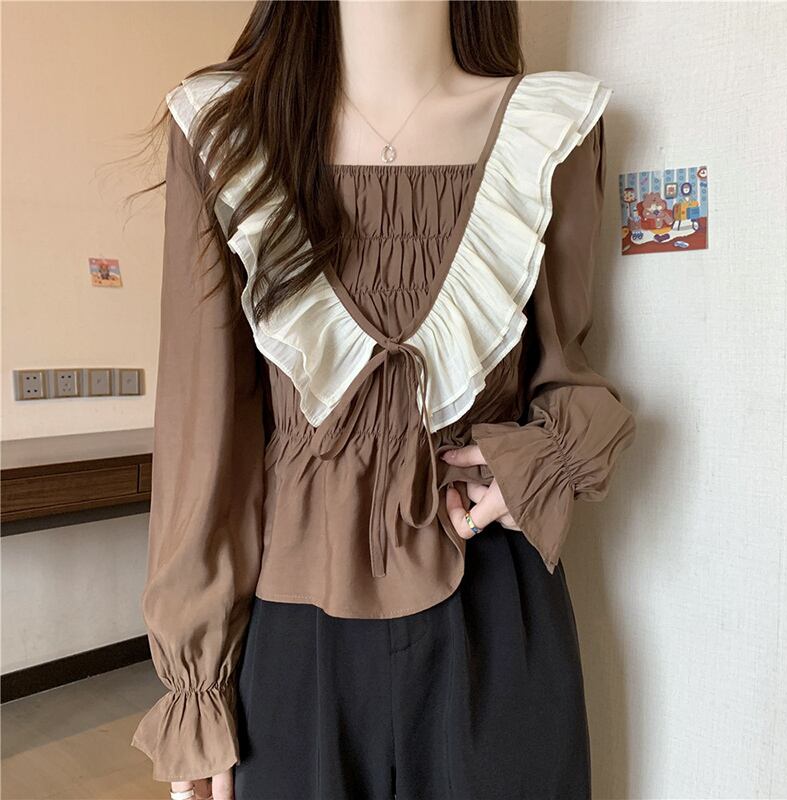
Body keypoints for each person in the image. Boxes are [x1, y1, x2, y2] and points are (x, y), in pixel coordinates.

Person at [130, 2, 637, 798]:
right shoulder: (227, 137)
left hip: (494, 607)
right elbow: (203, 435)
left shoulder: (548, 131)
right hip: (294, 629)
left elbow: (565, 373)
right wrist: (198, 685)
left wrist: (540, 460)